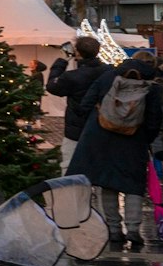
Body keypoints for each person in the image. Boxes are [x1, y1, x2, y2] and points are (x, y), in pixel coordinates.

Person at [66, 59, 163, 251]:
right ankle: (133, 228)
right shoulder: (152, 89)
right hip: (134, 140)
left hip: (101, 137)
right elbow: (155, 119)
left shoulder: (107, 78)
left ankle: (113, 229)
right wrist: (146, 138)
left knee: (107, 183)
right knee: (134, 185)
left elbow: (85, 104)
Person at [45, 36, 113, 169]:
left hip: (76, 128)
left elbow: (52, 86)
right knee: (99, 166)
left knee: (69, 165)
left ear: (78, 53)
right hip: (103, 125)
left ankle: (72, 190)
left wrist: (63, 60)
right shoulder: (108, 72)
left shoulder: (73, 76)